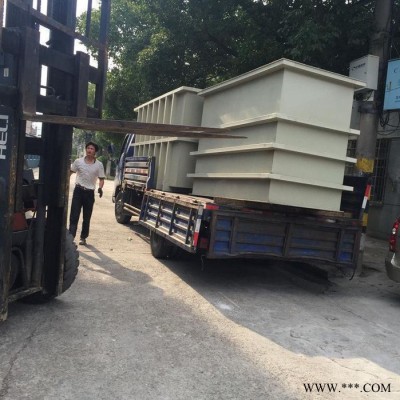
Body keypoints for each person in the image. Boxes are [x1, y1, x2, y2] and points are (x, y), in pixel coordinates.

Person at [69, 141, 105, 245]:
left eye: (92, 149)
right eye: (88, 148)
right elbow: (70, 173)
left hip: (89, 193)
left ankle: (83, 237)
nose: (89, 150)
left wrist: (100, 188)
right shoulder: (78, 162)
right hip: (78, 191)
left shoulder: (99, 165)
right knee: (74, 215)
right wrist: (64, 184)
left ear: (95, 152)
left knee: (86, 217)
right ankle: (71, 237)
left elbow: (101, 179)